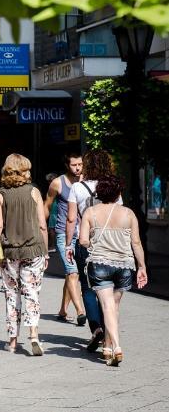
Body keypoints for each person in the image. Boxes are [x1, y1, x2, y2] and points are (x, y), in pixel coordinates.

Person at [79, 174, 147, 366]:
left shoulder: (90, 212)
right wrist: (142, 267)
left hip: (100, 263)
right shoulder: (128, 214)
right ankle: (107, 348)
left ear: (99, 193)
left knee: (107, 307)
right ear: (118, 193)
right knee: (113, 308)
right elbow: (136, 242)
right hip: (124, 265)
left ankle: (116, 346)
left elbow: (83, 240)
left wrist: (92, 239)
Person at [0, 154, 48, 356]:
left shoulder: (1, 194)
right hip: (34, 249)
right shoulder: (34, 192)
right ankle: (33, 335)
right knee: (31, 292)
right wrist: (46, 253)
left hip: (10, 252)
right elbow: (42, 225)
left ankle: (13, 341)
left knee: (12, 294)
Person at [65, 149, 117, 353]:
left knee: (87, 288)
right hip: (109, 243)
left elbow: (71, 219)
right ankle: (107, 332)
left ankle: (95, 328)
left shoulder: (77, 187)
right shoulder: (112, 187)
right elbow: (118, 214)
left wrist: (69, 244)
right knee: (107, 288)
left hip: (84, 241)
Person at [44, 153, 87, 325]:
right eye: (74, 165)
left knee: (72, 275)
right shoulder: (58, 183)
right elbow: (46, 205)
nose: (78, 168)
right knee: (73, 272)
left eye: (80, 164)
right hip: (63, 233)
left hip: (83, 234)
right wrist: (41, 229)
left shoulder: (86, 181)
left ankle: (62, 310)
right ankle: (81, 311)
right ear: (67, 165)